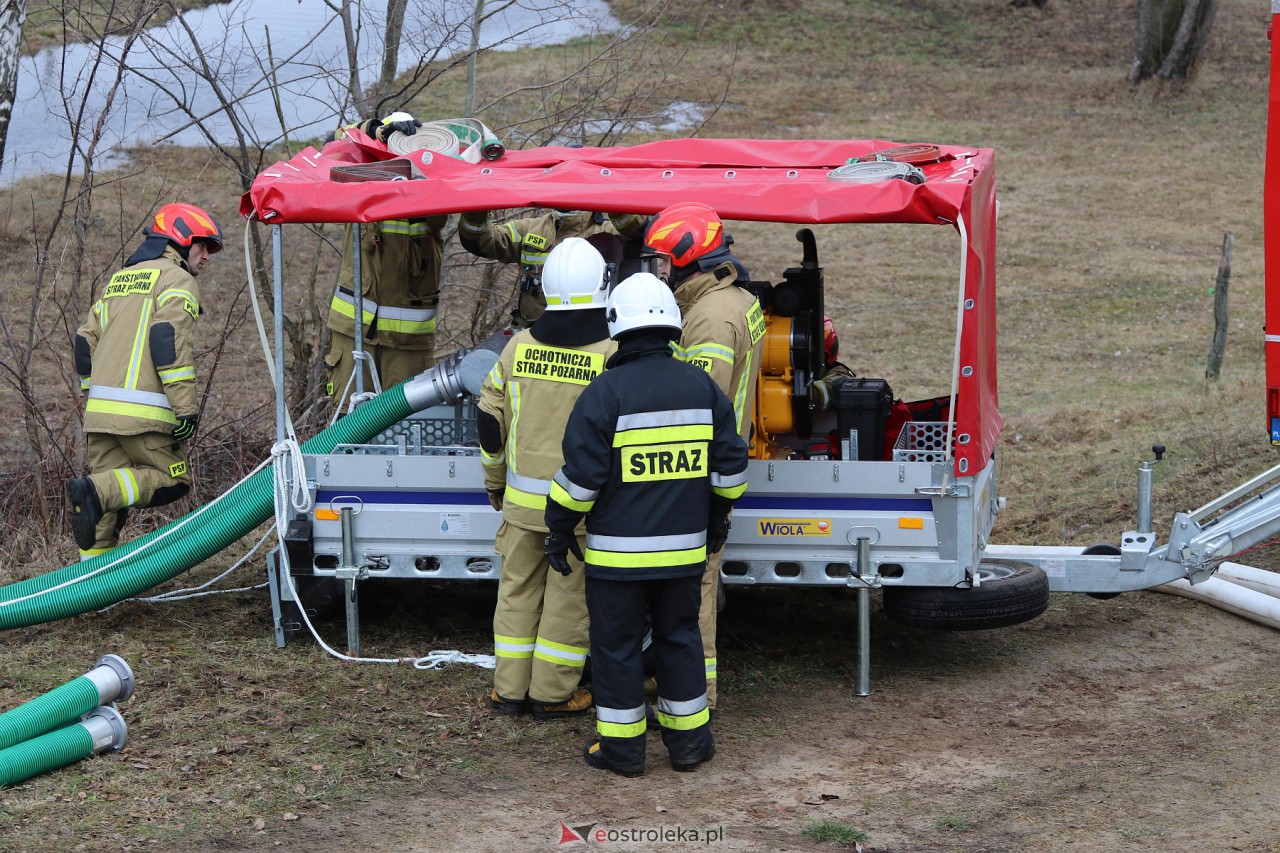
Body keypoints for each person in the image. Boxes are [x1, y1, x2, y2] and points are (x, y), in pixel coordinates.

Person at [544, 271, 749, 777]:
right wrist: (718, 514)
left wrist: (558, 526)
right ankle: (690, 747)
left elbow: (581, 478)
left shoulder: (605, 392)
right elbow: (731, 464)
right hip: (683, 555)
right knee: (680, 640)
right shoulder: (701, 386)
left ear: (617, 326)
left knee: (615, 649)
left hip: (618, 559)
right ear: (674, 326)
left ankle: (622, 752)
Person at [476, 237, 617, 720]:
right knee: (566, 603)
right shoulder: (612, 354)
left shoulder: (518, 347)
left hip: (519, 505)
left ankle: (508, 691)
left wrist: (495, 482)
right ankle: (553, 694)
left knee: (515, 594)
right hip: (578, 510)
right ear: (603, 286)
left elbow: (489, 421)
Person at [642, 201, 765, 712]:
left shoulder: (710, 320)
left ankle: (695, 697)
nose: (661, 272)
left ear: (689, 258)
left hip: (697, 470)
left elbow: (695, 403)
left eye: (666, 262)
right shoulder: (733, 299)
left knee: (692, 594)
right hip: (716, 463)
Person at [67, 203, 224, 560]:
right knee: (172, 481)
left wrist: (92, 395)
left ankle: (90, 590)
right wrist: (185, 409)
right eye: (205, 245)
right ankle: (94, 490)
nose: (208, 256)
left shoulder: (120, 280)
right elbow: (167, 338)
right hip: (146, 414)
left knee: (105, 511)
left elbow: (84, 342)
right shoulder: (176, 279)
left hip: (100, 414)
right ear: (182, 240)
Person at [325, 112, 448, 405]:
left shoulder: (435, 191)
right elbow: (335, 143)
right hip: (354, 334)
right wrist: (374, 130)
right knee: (349, 421)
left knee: (405, 425)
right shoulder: (357, 188)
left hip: (407, 346)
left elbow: (447, 200)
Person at [457, 207, 647, 328]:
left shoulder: (609, 233)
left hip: (592, 335)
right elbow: (483, 241)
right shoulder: (530, 230)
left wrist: (615, 204)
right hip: (534, 332)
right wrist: (475, 211)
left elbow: (641, 237)